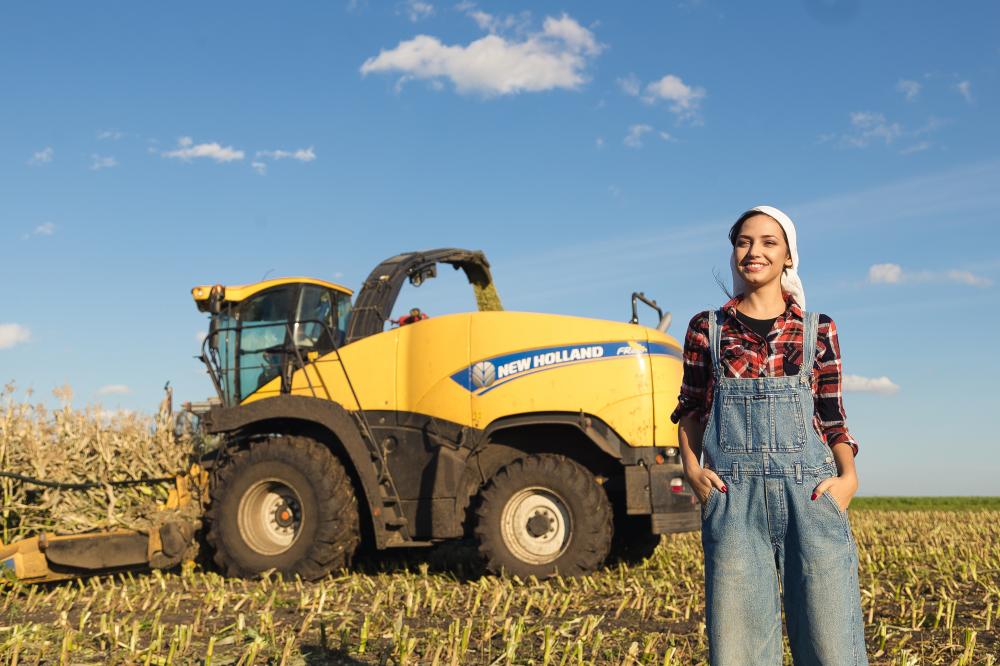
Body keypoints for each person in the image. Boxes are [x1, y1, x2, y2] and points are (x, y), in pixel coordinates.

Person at [671, 206, 867, 665]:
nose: (753, 251)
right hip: (734, 499)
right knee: (739, 648)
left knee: (831, 643)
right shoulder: (708, 328)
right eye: (744, 241)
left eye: (768, 242)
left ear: (788, 257)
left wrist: (849, 477)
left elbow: (832, 413)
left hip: (811, 494)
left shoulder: (817, 328)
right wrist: (693, 470)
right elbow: (692, 408)